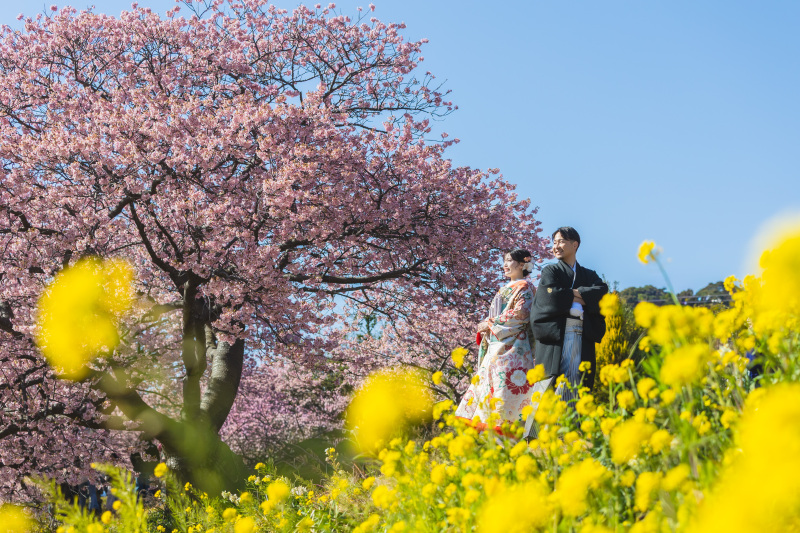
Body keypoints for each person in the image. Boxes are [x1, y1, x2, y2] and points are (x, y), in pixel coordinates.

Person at [455, 249, 537, 432]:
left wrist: (489, 323)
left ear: (522, 265)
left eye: (509, 261)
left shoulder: (525, 286)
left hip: (514, 345)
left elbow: (522, 314)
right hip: (497, 343)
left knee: (505, 387)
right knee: (492, 386)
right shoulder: (506, 288)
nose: (505, 265)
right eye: (504, 261)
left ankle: (506, 432)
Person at [531, 227, 608, 402]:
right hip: (559, 333)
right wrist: (585, 298)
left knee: (577, 381)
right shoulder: (550, 271)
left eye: (561, 241)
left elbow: (602, 292)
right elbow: (551, 297)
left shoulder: (589, 274)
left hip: (582, 332)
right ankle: (548, 427)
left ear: (575, 244)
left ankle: (573, 426)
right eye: (554, 242)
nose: (555, 246)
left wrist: (567, 294)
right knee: (552, 385)